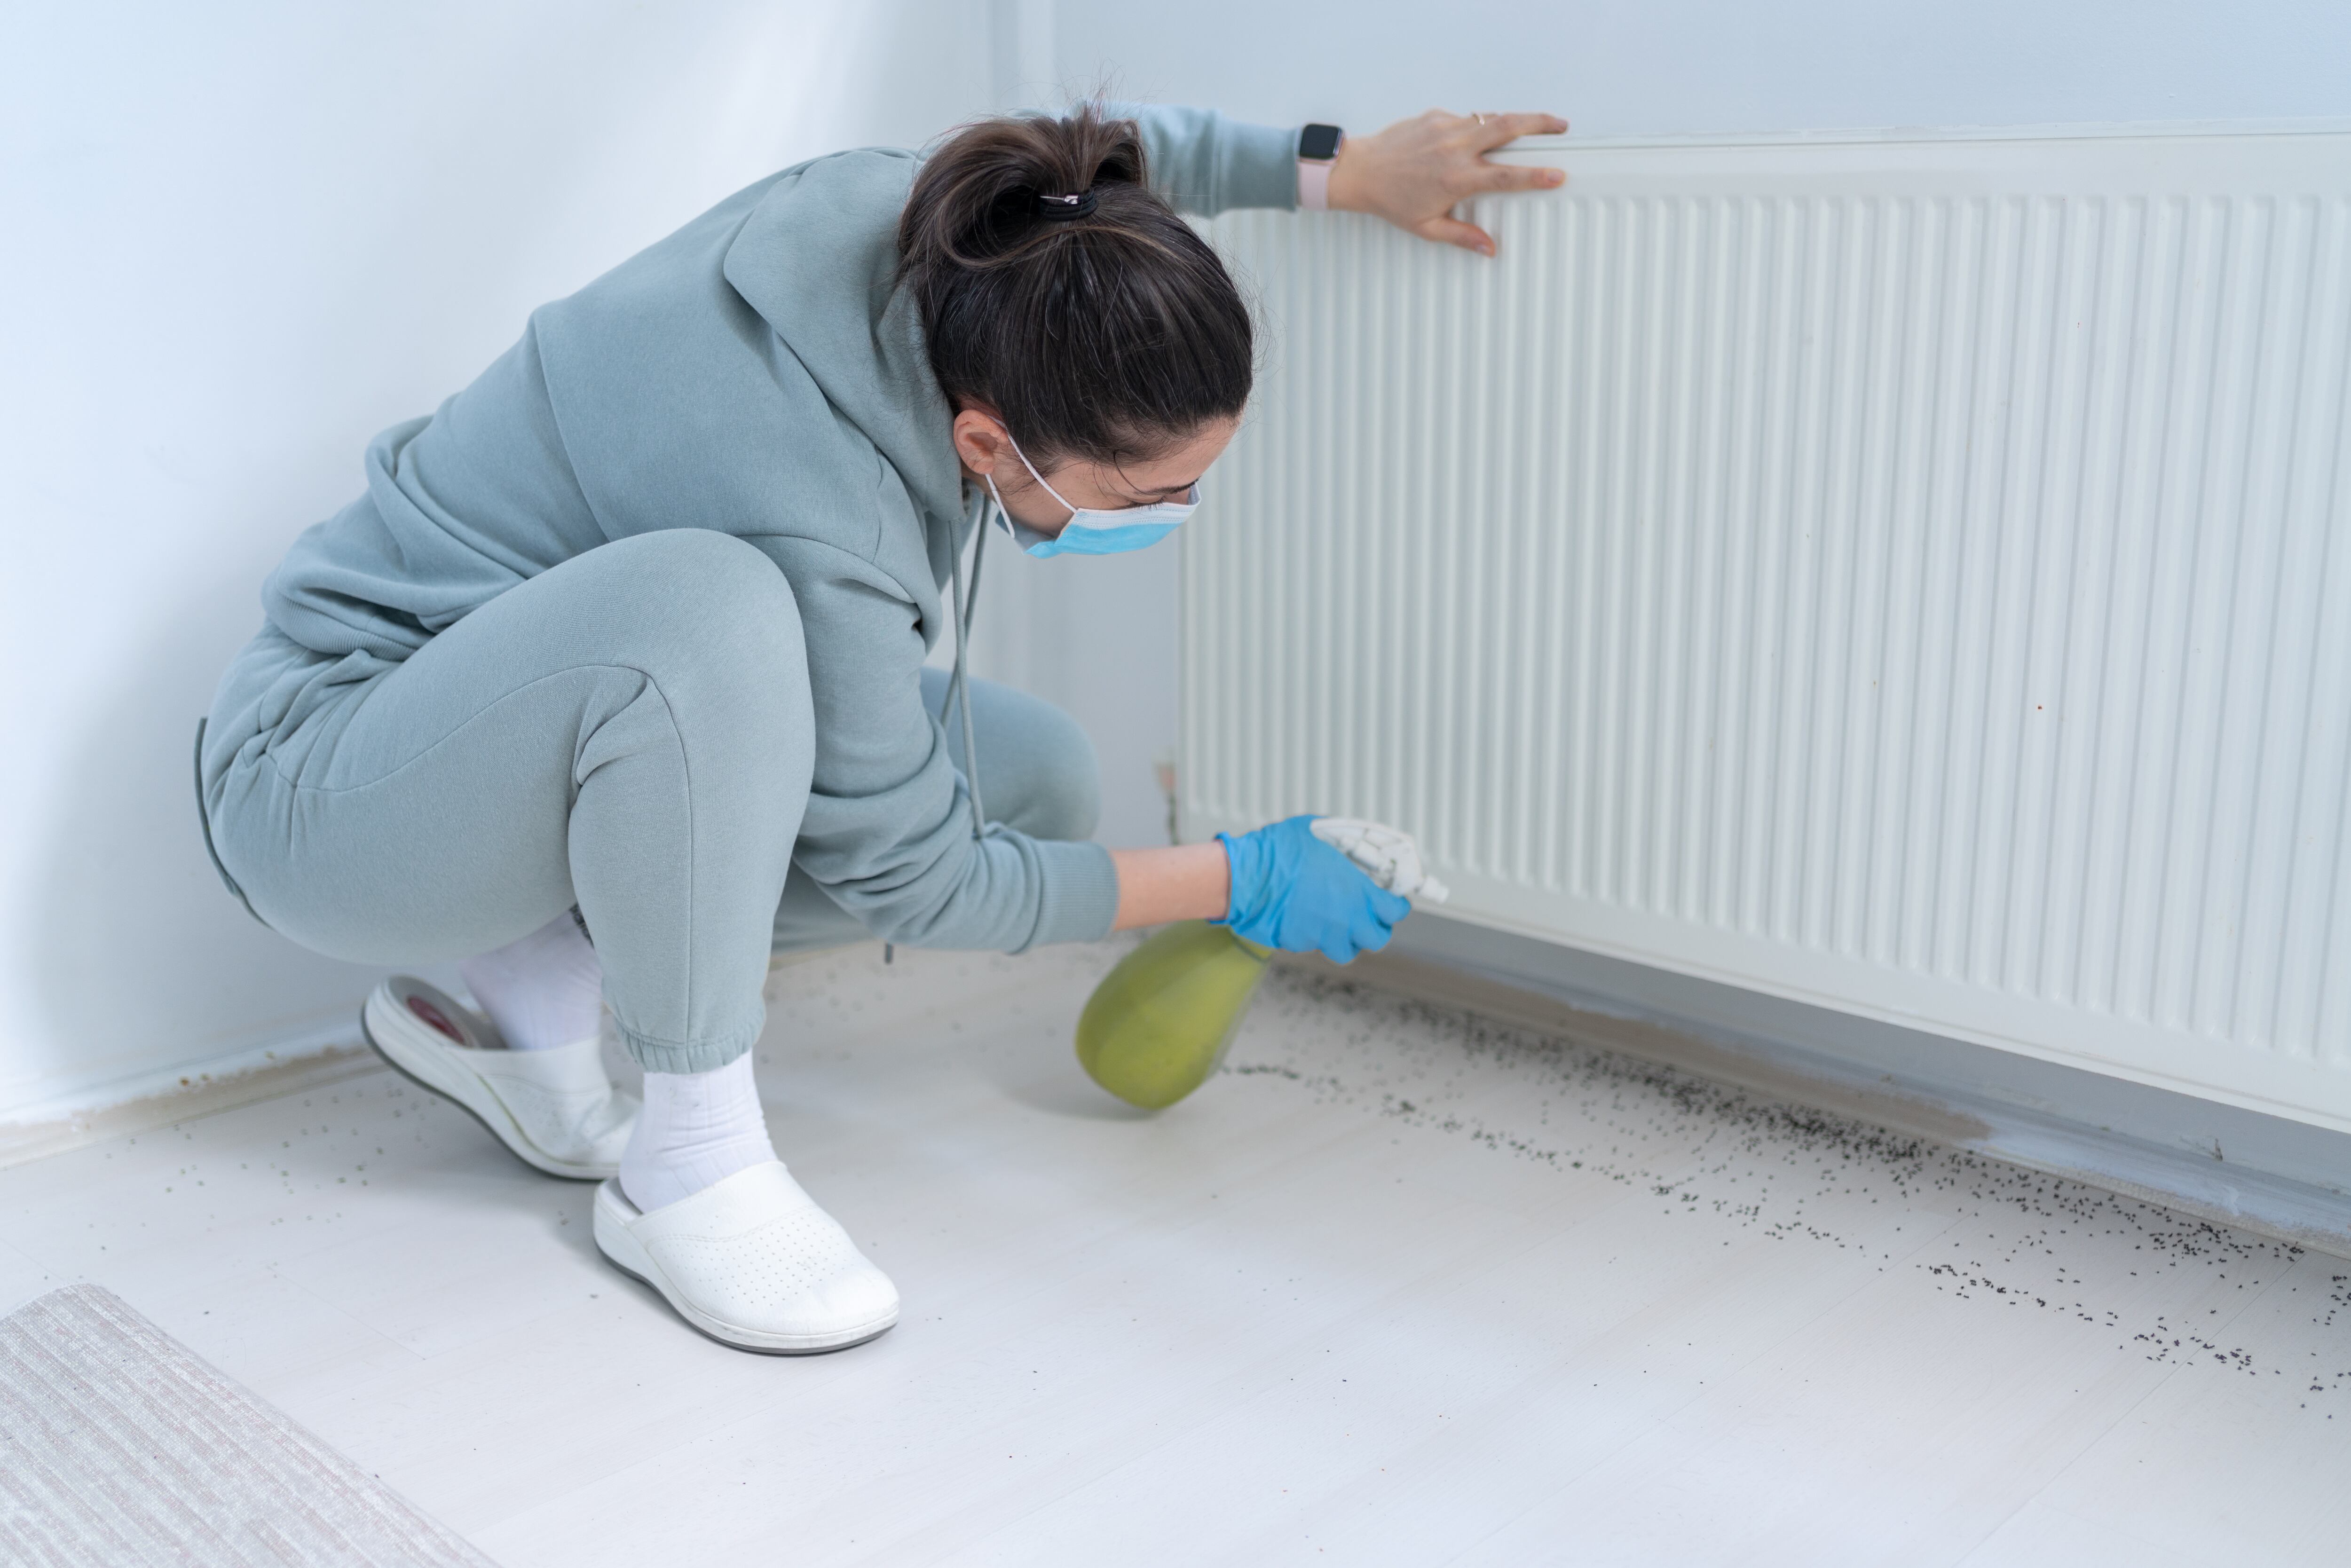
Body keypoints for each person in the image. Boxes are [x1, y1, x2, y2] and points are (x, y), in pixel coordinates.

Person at [195, 101, 1567, 1354]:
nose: (1169, 520)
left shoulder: (950, 232)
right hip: (330, 782)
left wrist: (1335, 172)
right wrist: (1239, 875)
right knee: (709, 608)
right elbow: (912, 877)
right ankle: (690, 1162)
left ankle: (525, 976)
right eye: (1147, 492)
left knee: (1030, 774)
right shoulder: (814, 506)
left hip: (525, 725)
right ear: (986, 445)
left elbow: (1098, 163)